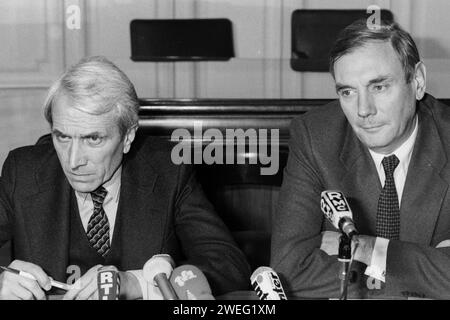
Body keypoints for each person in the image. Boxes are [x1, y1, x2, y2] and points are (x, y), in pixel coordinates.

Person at [0, 56, 250, 300]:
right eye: (63, 137)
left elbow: (229, 265)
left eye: (93, 139)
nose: (73, 160)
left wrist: (139, 283)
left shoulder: (168, 170)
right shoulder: (21, 172)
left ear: (128, 137)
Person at [271, 18, 450, 299]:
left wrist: (366, 248)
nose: (363, 110)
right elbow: (289, 271)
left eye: (379, 87)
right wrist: (427, 273)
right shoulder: (316, 137)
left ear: (417, 82)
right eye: (347, 92)